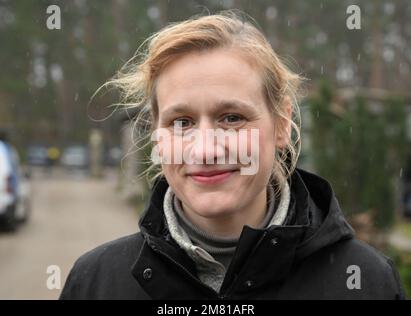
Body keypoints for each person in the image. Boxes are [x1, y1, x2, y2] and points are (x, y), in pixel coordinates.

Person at [60, 11, 406, 300]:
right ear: (157, 135)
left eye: (232, 118)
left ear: (282, 125)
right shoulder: (96, 283)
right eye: (182, 122)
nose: (206, 149)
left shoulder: (366, 283)